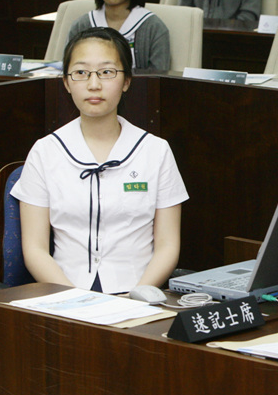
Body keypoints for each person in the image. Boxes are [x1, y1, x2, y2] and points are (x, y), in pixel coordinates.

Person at [11, 27, 188, 295]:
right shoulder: (45, 152)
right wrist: (75, 301)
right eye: (81, 73)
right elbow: (34, 250)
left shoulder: (156, 151)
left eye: (107, 72)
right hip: (64, 295)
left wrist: (137, 297)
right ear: (67, 82)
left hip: (138, 296)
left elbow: (167, 246)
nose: (94, 84)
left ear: (127, 81)